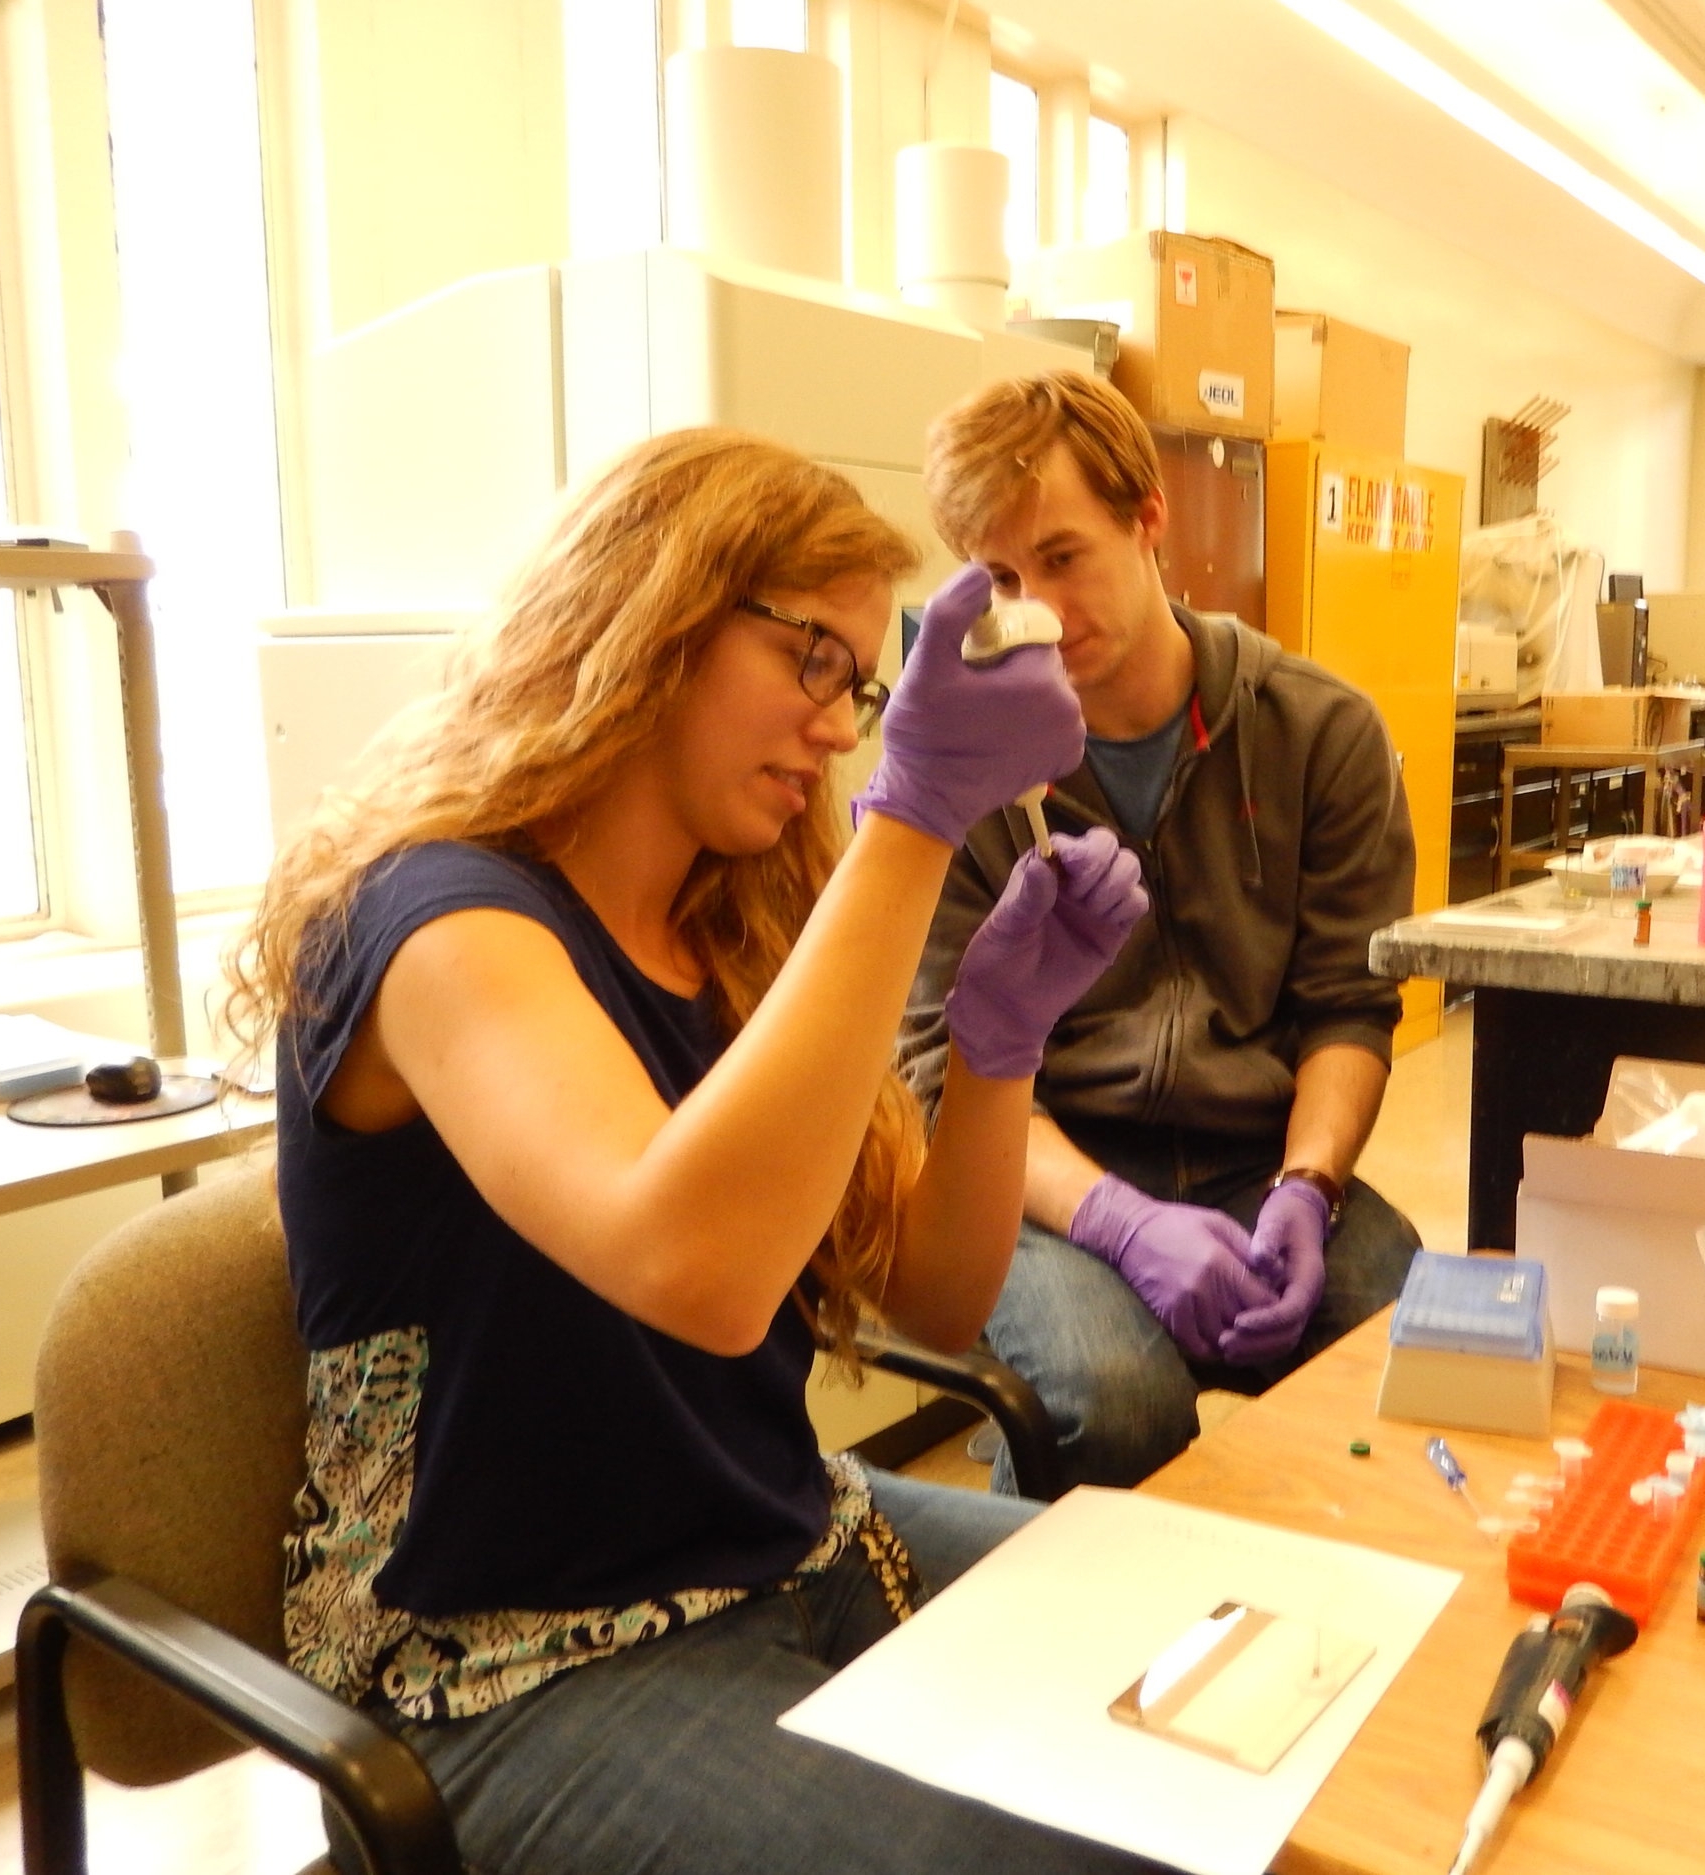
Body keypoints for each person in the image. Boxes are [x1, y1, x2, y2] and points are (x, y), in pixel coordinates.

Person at [226, 429, 1164, 1875]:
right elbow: (700, 1266)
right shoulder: (433, 918)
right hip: (511, 1659)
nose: (846, 728)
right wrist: (911, 824)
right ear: (651, 615)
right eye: (815, 663)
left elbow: (939, 1298)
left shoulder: (726, 932)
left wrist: (998, 1045)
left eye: (865, 688)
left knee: (1196, 1685)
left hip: (780, 1544)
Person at [901, 373, 1422, 1493]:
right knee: (1117, 1402)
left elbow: (1349, 1004)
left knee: (1410, 1344)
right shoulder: (967, 776)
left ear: (1149, 520)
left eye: (1062, 556)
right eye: (998, 578)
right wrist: (1120, 1220)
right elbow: (942, 1072)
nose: (1033, 607)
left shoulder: (1318, 733)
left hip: (1256, 1158)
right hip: (1047, 1176)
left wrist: (1309, 1186)